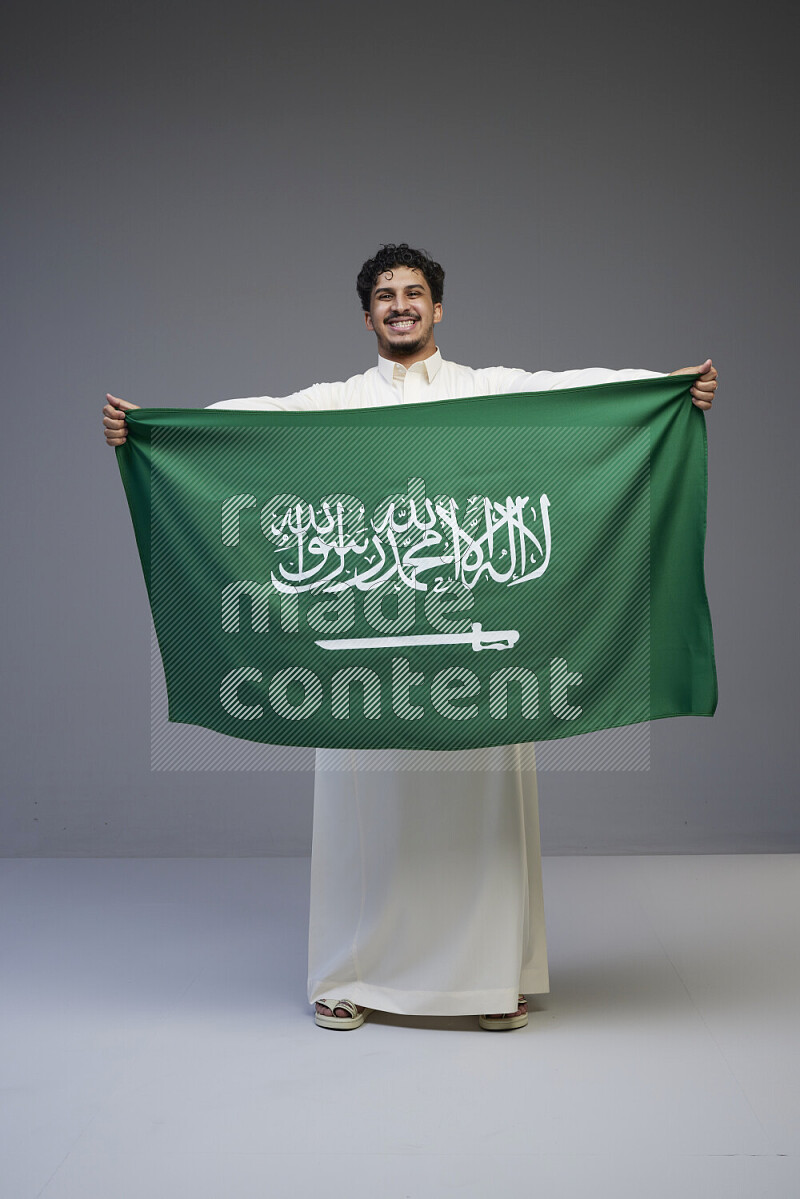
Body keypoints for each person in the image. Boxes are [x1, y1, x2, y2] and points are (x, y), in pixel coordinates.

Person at [103, 244, 718, 1031]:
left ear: (437, 308)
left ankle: (492, 980)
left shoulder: (485, 393)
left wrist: (664, 389)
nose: (401, 305)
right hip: (371, 652)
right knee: (368, 811)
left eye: (415, 292)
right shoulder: (341, 400)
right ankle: (348, 974)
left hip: (480, 650)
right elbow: (258, 421)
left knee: (483, 807)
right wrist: (152, 432)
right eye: (386, 295)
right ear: (367, 316)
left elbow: (572, 391)